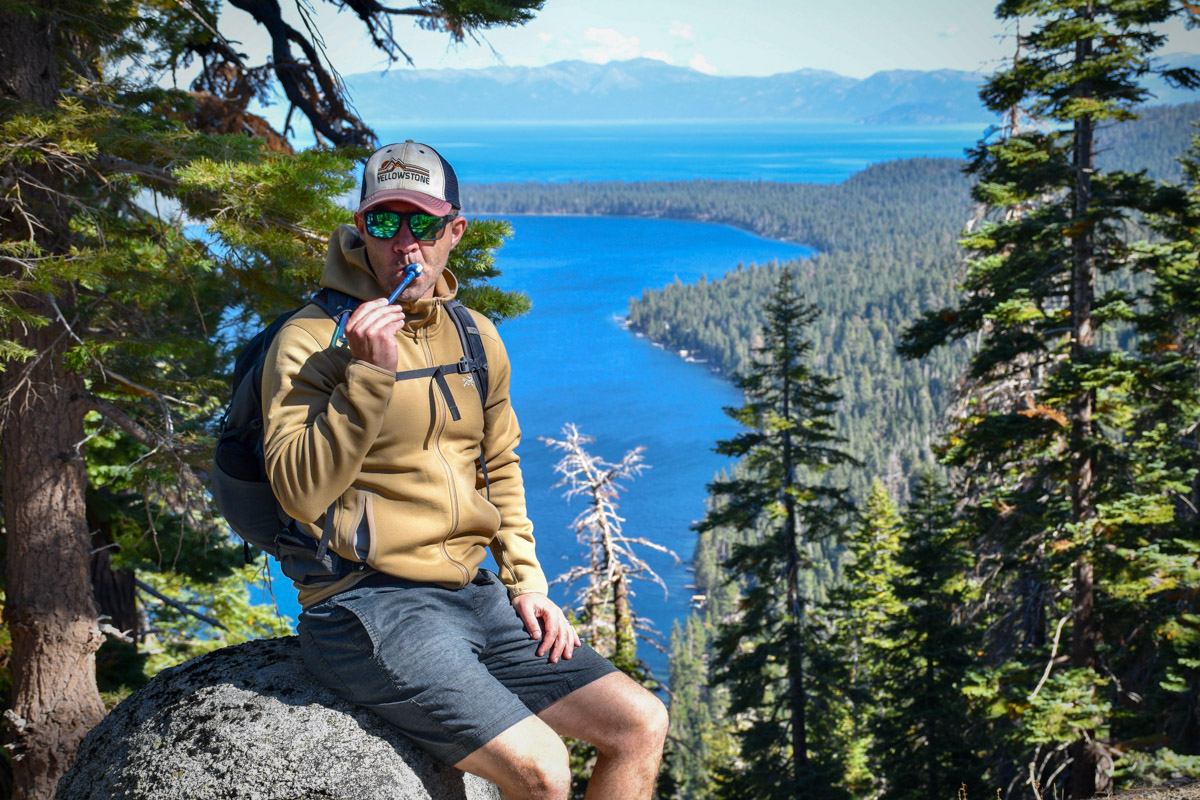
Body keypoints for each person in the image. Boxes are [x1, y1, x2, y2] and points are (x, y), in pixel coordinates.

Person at [261, 140, 668, 800]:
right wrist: (367, 373)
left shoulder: (475, 336)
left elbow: (498, 464)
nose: (404, 244)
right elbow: (299, 491)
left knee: (639, 725)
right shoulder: (311, 340)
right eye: (384, 222)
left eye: (421, 223)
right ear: (360, 228)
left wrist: (526, 580)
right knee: (541, 768)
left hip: (472, 596)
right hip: (365, 605)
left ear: (454, 231)